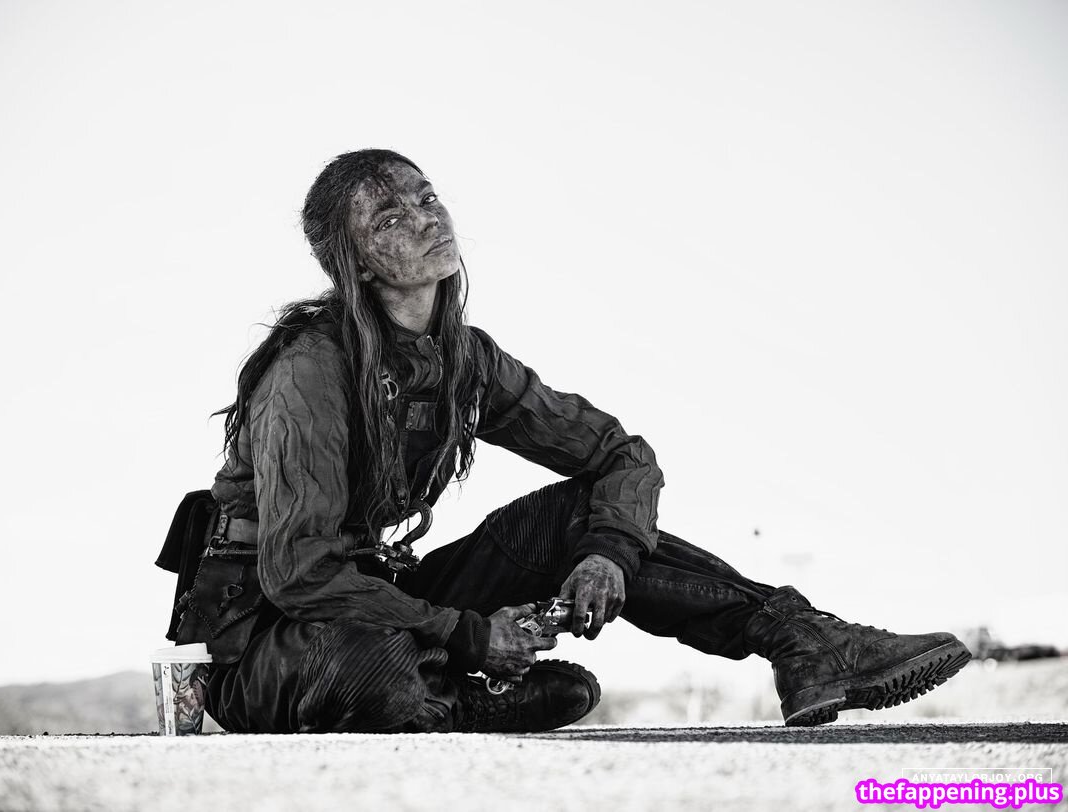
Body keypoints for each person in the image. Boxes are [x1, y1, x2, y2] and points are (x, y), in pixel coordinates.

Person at [170, 148, 971, 734]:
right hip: (271, 636)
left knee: (587, 515)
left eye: (427, 196)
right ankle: (460, 692)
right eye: (391, 218)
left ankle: (807, 641)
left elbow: (621, 456)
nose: (427, 217)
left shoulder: (466, 361)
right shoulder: (311, 368)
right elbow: (301, 572)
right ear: (357, 264)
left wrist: (607, 556)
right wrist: (472, 634)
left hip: (383, 603)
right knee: (372, 665)